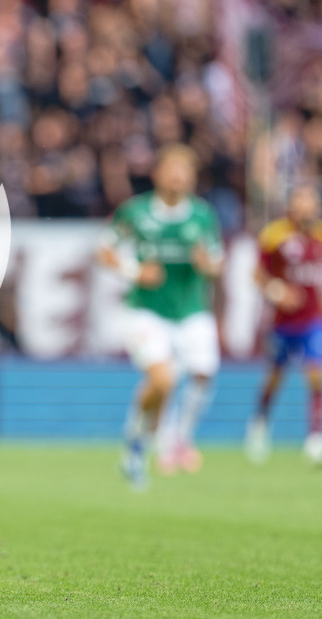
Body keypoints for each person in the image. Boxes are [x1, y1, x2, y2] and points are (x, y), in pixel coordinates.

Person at [97, 144, 224, 490]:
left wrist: (207, 265)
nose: (178, 176)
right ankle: (137, 444)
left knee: (203, 374)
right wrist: (134, 270)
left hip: (192, 310)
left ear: (193, 177)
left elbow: (216, 261)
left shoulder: (202, 216)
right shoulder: (136, 213)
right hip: (146, 311)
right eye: (172, 168)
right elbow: (104, 250)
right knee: (164, 381)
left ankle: (180, 437)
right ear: (158, 173)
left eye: (185, 170)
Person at [245, 184, 322, 466]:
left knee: (317, 374)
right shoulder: (274, 234)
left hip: (313, 319)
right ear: (291, 205)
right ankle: (259, 423)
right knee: (274, 376)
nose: (307, 206)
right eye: (301, 200)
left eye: (311, 201)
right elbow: (257, 275)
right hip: (283, 322)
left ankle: (316, 438)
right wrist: (278, 293)